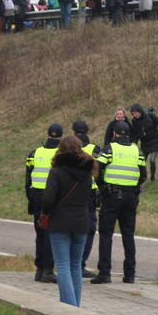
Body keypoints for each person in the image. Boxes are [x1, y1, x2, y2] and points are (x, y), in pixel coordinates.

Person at [91, 120, 146, 284]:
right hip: (130, 197)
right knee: (128, 235)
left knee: (106, 234)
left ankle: (104, 273)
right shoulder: (137, 150)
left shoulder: (110, 148)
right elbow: (143, 174)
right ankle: (130, 275)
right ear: (128, 134)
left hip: (112, 196)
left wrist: (102, 187)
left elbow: (97, 168)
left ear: (114, 133)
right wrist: (134, 188)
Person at [41, 136, 93, 306]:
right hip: (81, 222)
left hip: (60, 222)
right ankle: (75, 305)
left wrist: (45, 212)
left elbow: (48, 200)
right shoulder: (87, 171)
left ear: (60, 150)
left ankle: (69, 307)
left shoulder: (56, 171)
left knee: (62, 265)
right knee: (75, 266)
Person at [26, 124, 63, 282]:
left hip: (37, 196)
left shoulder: (35, 153)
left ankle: (39, 269)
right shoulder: (62, 154)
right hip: (53, 198)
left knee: (40, 232)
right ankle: (48, 269)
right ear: (61, 136)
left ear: (47, 134)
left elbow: (28, 178)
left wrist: (31, 197)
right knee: (50, 233)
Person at [71, 119, 100, 278]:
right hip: (90, 193)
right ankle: (80, 263)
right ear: (88, 131)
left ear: (73, 131)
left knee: (70, 227)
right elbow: (101, 170)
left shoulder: (69, 148)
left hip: (71, 193)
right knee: (89, 229)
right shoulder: (95, 149)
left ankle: (69, 262)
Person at [139, 107, 158, 182]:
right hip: (144, 143)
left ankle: (152, 177)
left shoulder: (150, 115)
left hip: (155, 141)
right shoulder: (136, 120)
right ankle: (142, 178)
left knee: (152, 160)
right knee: (141, 161)